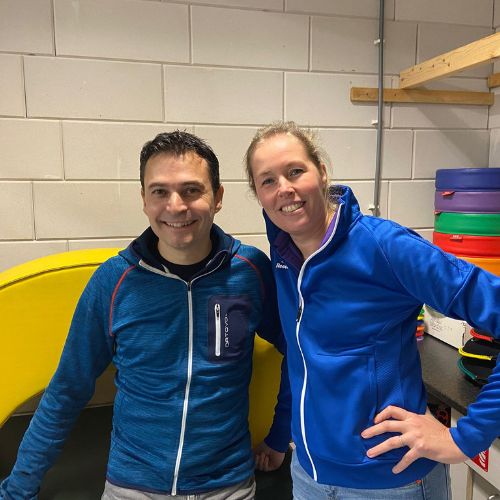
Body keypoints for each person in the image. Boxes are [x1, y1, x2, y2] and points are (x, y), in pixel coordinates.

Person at [0, 131, 291, 500]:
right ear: (144, 199)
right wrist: (18, 490)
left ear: (217, 197)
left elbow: (300, 351)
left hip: (227, 485)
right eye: (159, 192)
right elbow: (68, 388)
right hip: (133, 486)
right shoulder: (114, 281)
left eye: (191, 190)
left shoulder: (250, 272)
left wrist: (280, 435)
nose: (176, 206)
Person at [245, 121, 500, 499]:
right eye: (268, 181)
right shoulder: (284, 251)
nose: (284, 188)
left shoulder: (386, 247)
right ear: (259, 195)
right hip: (309, 475)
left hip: (390, 481)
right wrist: (281, 437)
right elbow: (302, 357)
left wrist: (466, 438)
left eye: (295, 171)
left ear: (322, 172)